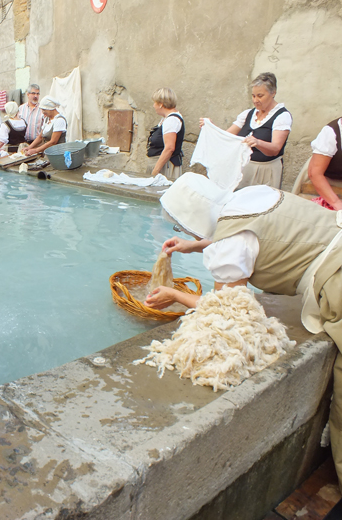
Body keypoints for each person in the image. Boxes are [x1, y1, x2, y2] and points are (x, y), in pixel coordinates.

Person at [144, 171, 342, 491]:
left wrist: (175, 295)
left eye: (183, 225)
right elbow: (255, 234)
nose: (184, 230)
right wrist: (194, 246)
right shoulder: (254, 197)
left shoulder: (230, 243)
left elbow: (228, 310)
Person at [202, 72, 291, 190]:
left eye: (260, 96)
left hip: (265, 171)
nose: (256, 100)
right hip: (243, 169)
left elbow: (275, 149)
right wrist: (211, 127)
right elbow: (226, 137)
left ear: (273, 93)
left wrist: (258, 143)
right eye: (253, 96)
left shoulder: (282, 117)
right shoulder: (248, 114)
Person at [147, 87, 185, 178]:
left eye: (155, 103)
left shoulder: (171, 120)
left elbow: (169, 148)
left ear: (161, 104)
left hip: (165, 167)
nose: (153, 106)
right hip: (161, 165)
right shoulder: (167, 119)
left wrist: (155, 172)